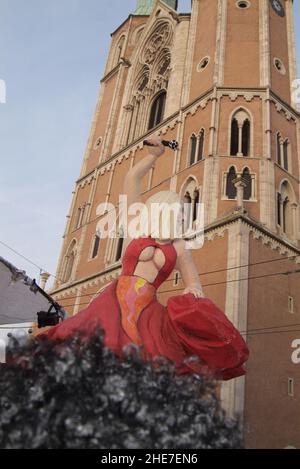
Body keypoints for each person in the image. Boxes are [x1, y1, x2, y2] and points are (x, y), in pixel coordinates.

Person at [38, 136, 249, 380]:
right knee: (95, 346)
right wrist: (153, 156)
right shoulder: (136, 226)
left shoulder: (179, 245)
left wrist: (193, 289)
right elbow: (131, 179)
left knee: (143, 360)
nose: (183, 219)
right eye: (180, 213)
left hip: (148, 310)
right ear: (162, 211)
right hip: (114, 302)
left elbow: (194, 282)